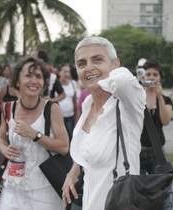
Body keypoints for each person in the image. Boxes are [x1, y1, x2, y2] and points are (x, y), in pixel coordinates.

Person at [62, 36, 146, 210]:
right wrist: (74, 171)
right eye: (81, 64)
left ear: (116, 64)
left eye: (97, 60)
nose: (89, 67)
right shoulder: (87, 107)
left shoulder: (127, 105)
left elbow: (122, 82)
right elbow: (89, 150)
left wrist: (97, 78)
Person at [0, 57, 69, 210]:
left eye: (39, 76)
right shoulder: (7, 108)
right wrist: (4, 149)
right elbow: (1, 139)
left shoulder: (51, 108)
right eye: (28, 75)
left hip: (44, 190)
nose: (34, 81)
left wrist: (34, 134)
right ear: (17, 81)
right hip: (12, 188)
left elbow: (63, 147)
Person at [140, 58, 173, 210]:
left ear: (160, 78)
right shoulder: (136, 97)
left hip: (158, 150)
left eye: (155, 74)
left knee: (164, 189)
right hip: (138, 150)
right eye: (148, 74)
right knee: (138, 189)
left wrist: (159, 96)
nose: (152, 77)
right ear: (143, 76)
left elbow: (166, 121)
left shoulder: (166, 99)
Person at [57, 64, 78, 140]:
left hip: (70, 117)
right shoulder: (55, 85)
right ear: (59, 72)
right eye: (64, 72)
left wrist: (76, 116)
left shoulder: (73, 83)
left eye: (68, 72)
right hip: (58, 118)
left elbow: (74, 101)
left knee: (70, 137)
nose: (67, 74)